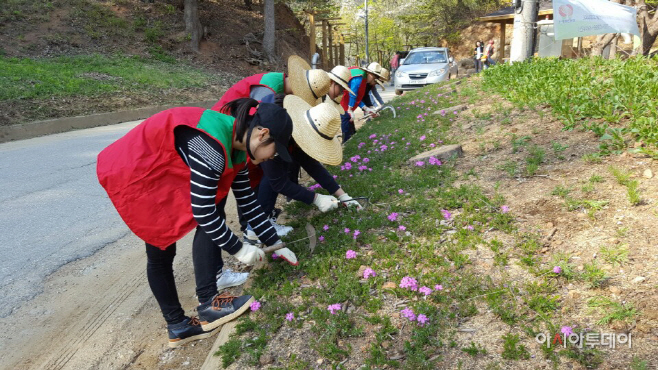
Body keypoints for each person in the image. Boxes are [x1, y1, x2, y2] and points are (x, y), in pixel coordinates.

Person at [96, 99, 295, 348]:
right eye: (274, 151)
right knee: (161, 247)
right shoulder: (212, 148)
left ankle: (207, 303)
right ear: (262, 133)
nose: (271, 158)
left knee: (214, 217)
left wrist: (275, 243)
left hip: (163, 167)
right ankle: (179, 323)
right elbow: (203, 212)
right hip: (137, 169)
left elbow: (248, 203)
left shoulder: (238, 147)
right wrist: (240, 249)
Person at [241, 99, 363, 252]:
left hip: (254, 164)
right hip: (245, 167)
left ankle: (259, 226)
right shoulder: (275, 136)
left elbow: (313, 167)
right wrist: (315, 199)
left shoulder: (296, 139)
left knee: (273, 175)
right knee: (270, 179)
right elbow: (278, 183)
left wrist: (343, 195)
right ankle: (254, 232)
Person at [340, 62, 385, 142]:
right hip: (341, 100)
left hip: (346, 101)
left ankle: (351, 141)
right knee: (346, 123)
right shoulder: (359, 78)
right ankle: (346, 145)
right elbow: (352, 94)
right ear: (371, 74)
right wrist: (350, 109)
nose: (374, 82)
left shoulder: (364, 79)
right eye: (375, 79)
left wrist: (366, 108)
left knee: (352, 131)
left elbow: (358, 97)